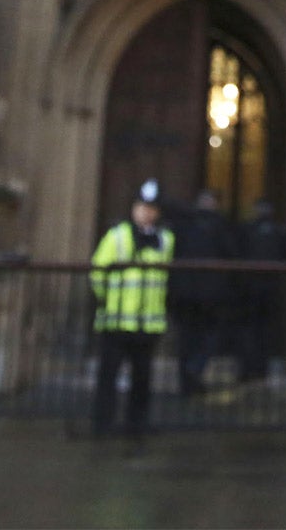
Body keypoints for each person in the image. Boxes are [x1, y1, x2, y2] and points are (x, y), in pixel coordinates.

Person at [88, 179, 174, 444]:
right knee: (108, 375)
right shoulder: (118, 235)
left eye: (151, 208)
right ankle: (103, 424)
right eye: (141, 207)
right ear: (134, 208)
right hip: (117, 320)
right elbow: (98, 272)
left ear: (157, 212)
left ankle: (136, 425)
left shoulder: (165, 239)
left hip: (148, 323)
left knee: (142, 378)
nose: (146, 212)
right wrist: (109, 301)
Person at [168, 188, 234, 397]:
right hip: (210, 293)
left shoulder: (183, 224)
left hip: (184, 292)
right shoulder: (221, 226)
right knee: (209, 336)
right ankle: (194, 371)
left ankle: (187, 382)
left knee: (187, 339)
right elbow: (231, 253)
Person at [236, 196, 286, 381]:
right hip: (263, 288)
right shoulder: (274, 231)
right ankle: (254, 368)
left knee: (255, 329)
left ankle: (253, 368)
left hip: (256, 288)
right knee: (258, 330)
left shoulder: (253, 230)